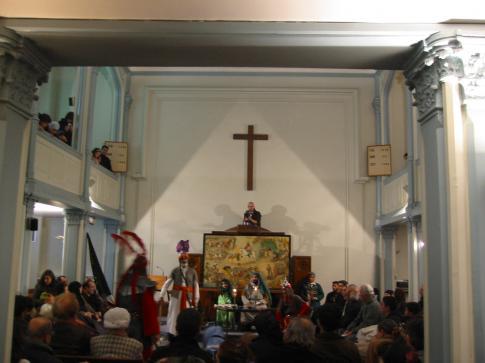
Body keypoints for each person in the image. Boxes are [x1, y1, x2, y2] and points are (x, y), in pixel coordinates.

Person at [112, 231, 160, 359]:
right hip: (138, 326)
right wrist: (154, 333)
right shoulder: (144, 285)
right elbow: (149, 311)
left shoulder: (123, 282)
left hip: (121, 325)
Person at [162, 240, 199, 335]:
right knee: (173, 312)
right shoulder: (175, 270)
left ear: (188, 261)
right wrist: (162, 294)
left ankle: (185, 332)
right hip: (176, 292)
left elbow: (196, 286)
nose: (184, 263)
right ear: (179, 261)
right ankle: (172, 331)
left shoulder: (193, 271)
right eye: (182, 261)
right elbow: (167, 282)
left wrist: (196, 298)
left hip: (188, 294)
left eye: (185, 261)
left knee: (187, 313)